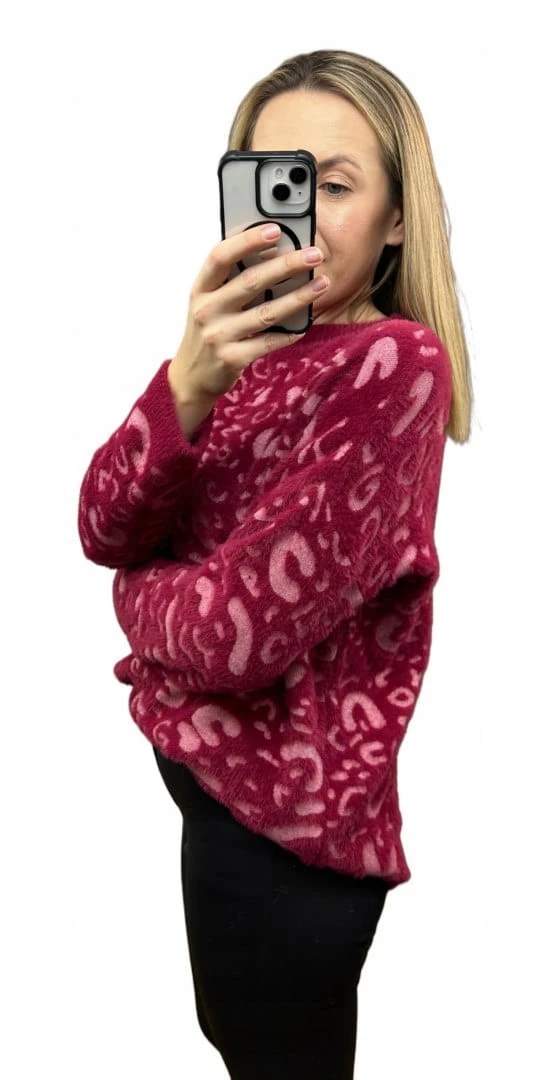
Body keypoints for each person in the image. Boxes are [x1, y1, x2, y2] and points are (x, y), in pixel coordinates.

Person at [78, 49, 473, 1080]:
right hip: (219, 811)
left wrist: (134, 593)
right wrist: (188, 376)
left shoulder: (392, 364)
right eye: (272, 179)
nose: (295, 216)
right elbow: (102, 522)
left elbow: (233, 636)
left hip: (287, 845)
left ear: (396, 216)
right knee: (240, 1048)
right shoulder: (236, 352)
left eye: (332, 185)